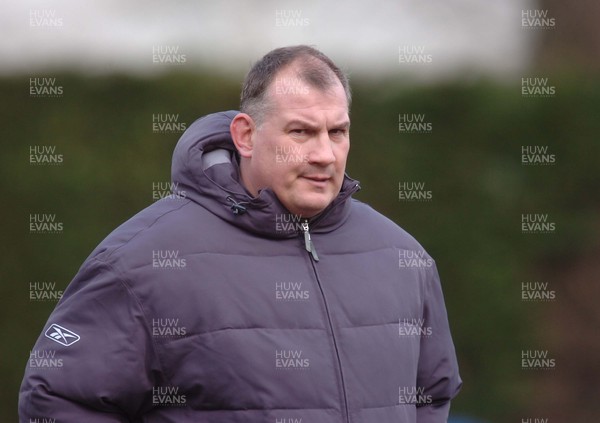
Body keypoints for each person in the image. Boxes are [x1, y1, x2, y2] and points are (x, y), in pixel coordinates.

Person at [19, 45, 461, 423]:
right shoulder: (141, 262)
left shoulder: (403, 258)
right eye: (301, 132)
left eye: (337, 132)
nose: (325, 154)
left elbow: (432, 394)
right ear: (246, 136)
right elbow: (58, 398)